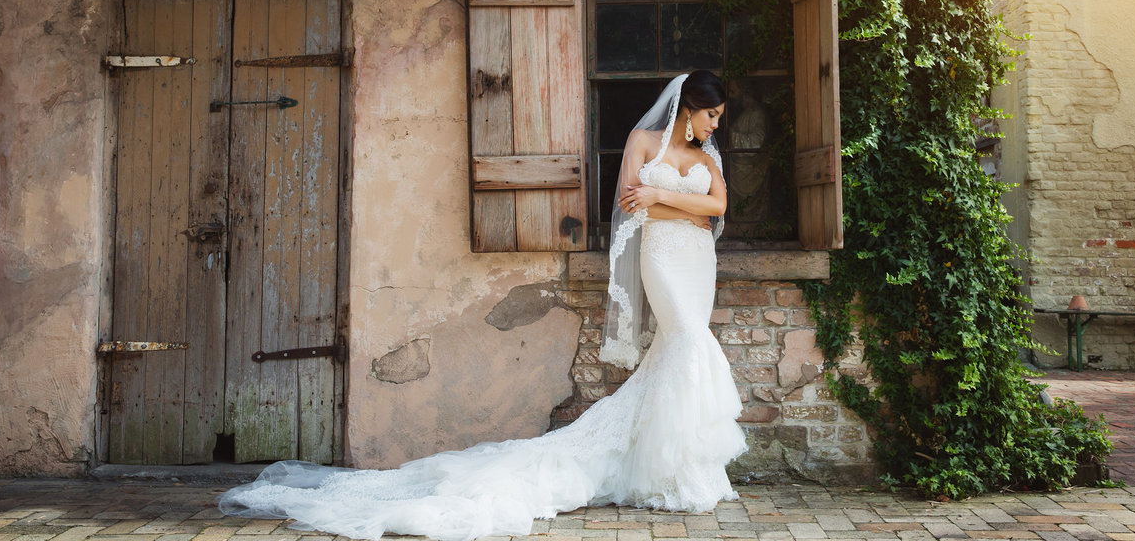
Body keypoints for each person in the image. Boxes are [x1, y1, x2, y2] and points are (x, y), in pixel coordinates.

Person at [218, 71, 746, 541]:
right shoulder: (643, 140)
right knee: (687, 342)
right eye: (711, 115)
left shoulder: (705, 157)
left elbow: (718, 206)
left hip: (698, 262)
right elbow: (633, 202)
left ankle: (678, 469)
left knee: (679, 352)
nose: (714, 126)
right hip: (662, 259)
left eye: (719, 118)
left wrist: (664, 201)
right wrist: (677, 208)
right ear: (687, 107)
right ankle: (677, 472)